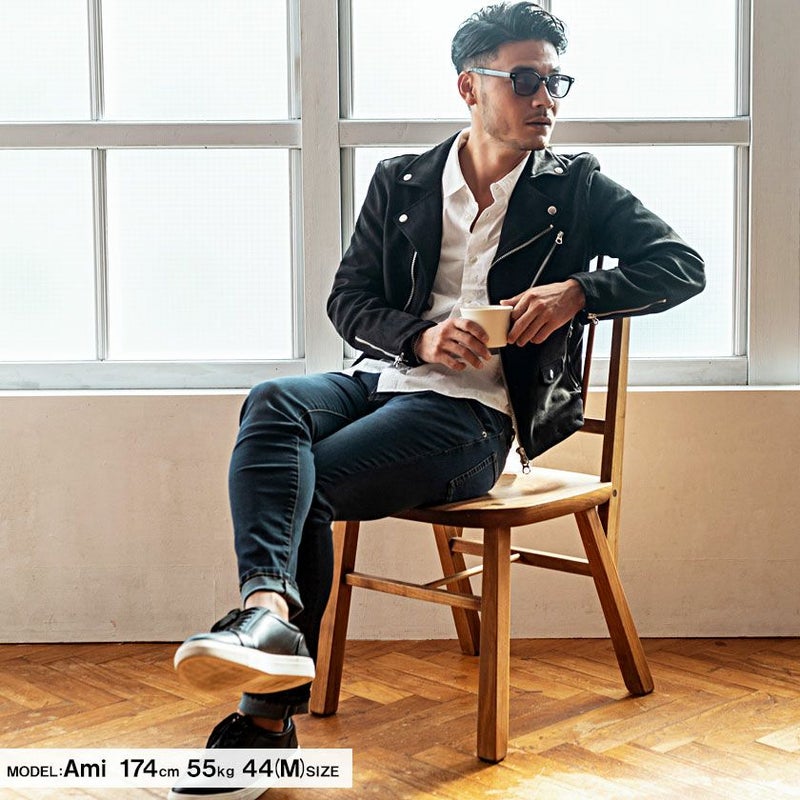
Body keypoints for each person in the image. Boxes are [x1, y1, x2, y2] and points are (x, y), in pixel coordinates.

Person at [168, 3, 705, 797]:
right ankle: (269, 609)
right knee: (274, 399)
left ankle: (264, 721)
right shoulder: (405, 181)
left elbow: (682, 266)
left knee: (303, 484)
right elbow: (349, 302)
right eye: (525, 80)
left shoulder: (576, 188)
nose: (545, 98)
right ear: (469, 86)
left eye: (555, 82)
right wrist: (419, 338)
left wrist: (578, 292)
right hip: (385, 380)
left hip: (475, 418)